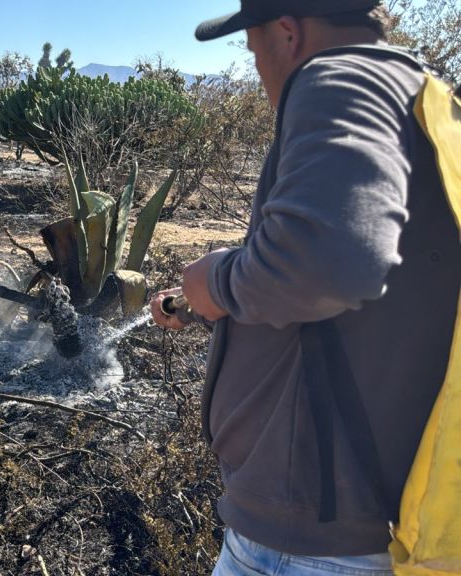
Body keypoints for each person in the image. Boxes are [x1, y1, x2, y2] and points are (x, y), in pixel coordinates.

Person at [150, 1, 461, 574]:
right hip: (354, 522)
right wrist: (204, 304)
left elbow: (330, 265)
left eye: (252, 49)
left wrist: (218, 280)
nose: (261, 72)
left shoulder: (341, 75)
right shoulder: (426, 100)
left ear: (287, 33)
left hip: (306, 543)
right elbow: (370, 292)